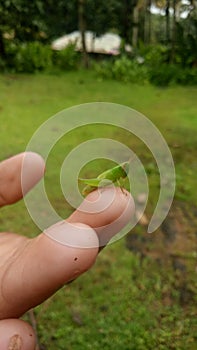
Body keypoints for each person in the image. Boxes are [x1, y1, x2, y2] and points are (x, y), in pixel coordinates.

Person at [0, 152, 134, 350]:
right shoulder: (114, 174)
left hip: (103, 193)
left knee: (108, 209)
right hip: (98, 184)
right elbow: (109, 180)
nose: (124, 172)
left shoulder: (118, 177)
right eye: (124, 169)